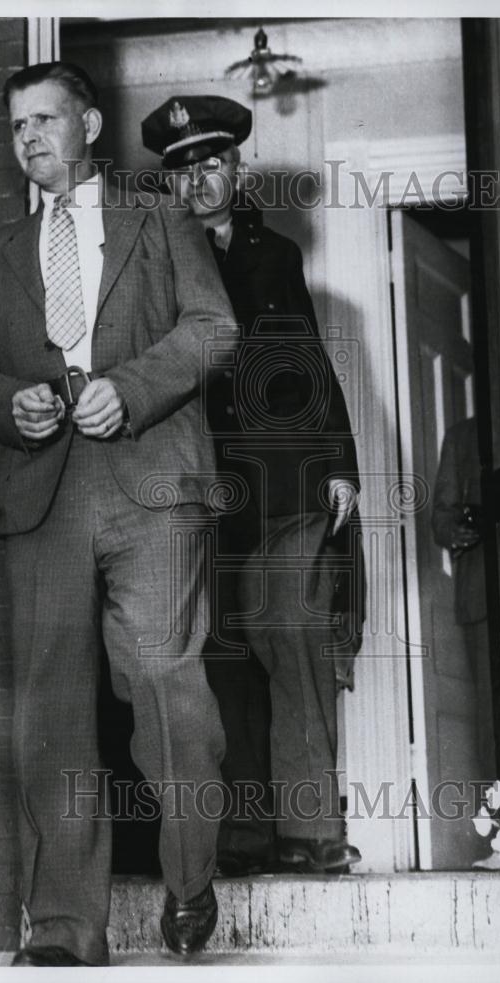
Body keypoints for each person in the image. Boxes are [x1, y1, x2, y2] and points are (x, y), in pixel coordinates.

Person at [0, 63, 237, 966]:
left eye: (45, 118)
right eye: (17, 125)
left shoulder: (161, 219)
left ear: (90, 125)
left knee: (163, 680)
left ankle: (189, 877)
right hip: (42, 494)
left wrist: (132, 388)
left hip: (150, 482)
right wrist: (10, 404)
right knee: (51, 710)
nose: (29, 136)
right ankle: (67, 927)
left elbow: (212, 327)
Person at [141, 95, 365, 876]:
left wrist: (339, 464)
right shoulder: (151, 260)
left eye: (212, 163)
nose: (198, 180)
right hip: (196, 488)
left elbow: (308, 361)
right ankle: (241, 839)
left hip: (287, 482)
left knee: (295, 638)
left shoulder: (276, 257)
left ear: (237, 169)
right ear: (167, 183)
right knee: (220, 659)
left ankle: (311, 831)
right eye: (181, 170)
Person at [431, 415, 495, 777]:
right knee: (492, 713)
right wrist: (455, 530)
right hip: (481, 595)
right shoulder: (461, 436)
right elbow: (441, 517)